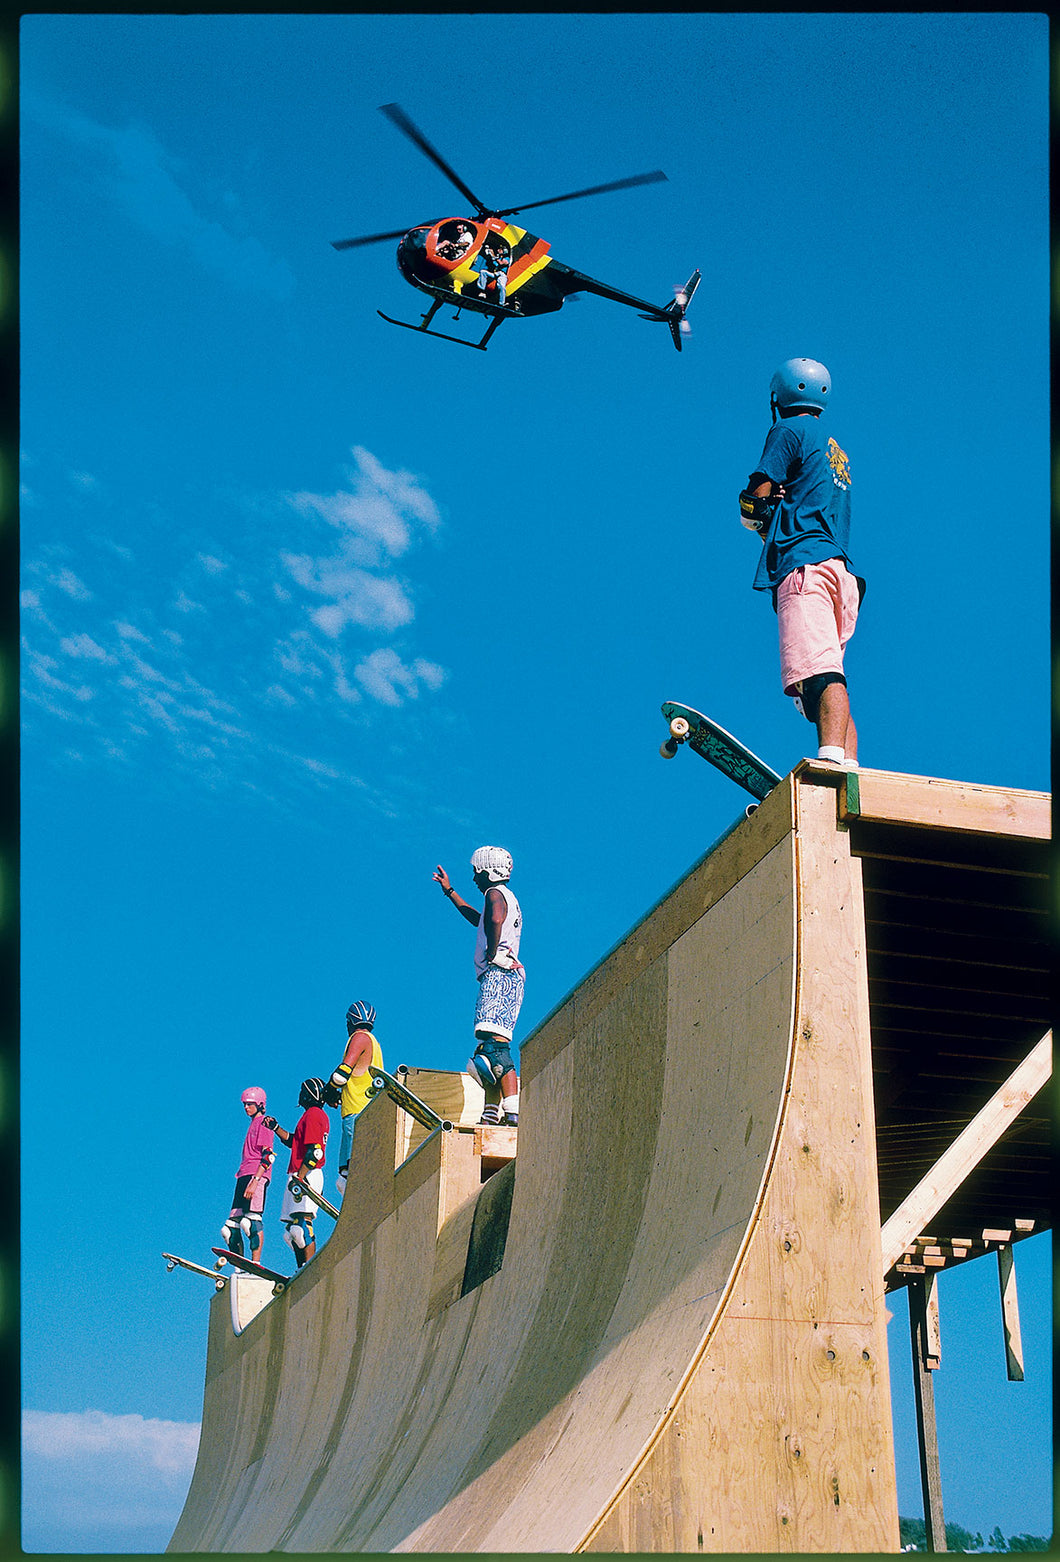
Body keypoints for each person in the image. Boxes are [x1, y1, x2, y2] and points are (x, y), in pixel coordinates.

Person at [739, 357, 865, 766]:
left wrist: (754, 511)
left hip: (805, 566)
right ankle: (849, 765)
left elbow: (757, 497)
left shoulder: (787, 428)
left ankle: (829, 762)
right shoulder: (835, 448)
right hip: (840, 575)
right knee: (827, 672)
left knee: (823, 674)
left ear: (780, 395)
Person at [433, 846, 524, 1127]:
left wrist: (492, 951)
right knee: (488, 1046)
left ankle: (512, 1111)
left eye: (476, 872)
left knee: (496, 1050)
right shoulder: (504, 897)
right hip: (503, 976)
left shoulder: (495, 895)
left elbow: (494, 918)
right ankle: (491, 1112)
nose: (474, 878)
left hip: (500, 974)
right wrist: (450, 893)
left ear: (488, 871)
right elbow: (481, 919)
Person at [264, 1079, 330, 1268]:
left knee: (301, 1228)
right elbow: (295, 1142)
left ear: (309, 1094)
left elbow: (314, 1151)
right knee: (291, 1232)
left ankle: (310, 1269)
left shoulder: (314, 1115)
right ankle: (301, 1270)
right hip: (299, 1173)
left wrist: (300, 1178)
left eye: (302, 1092)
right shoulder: (310, 1116)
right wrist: (276, 1128)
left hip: (307, 1173)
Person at [326, 1001, 384, 1198]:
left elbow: (343, 1073)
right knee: (348, 1171)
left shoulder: (359, 1038)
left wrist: (330, 1091)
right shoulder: (375, 1043)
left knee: (352, 1170)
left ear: (350, 1021)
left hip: (357, 1112)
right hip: (366, 1109)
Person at [217, 1086, 275, 1268]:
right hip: (243, 1174)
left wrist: (256, 1181)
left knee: (251, 1222)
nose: (246, 1108)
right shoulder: (252, 1124)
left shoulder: (265, 1122)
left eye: (250, 1104)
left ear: (260, 1104)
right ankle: (241, 1267)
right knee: (229, 1228)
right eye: (244, 1104)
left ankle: (256, 1263)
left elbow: (268, 1156)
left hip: (256, 1175)